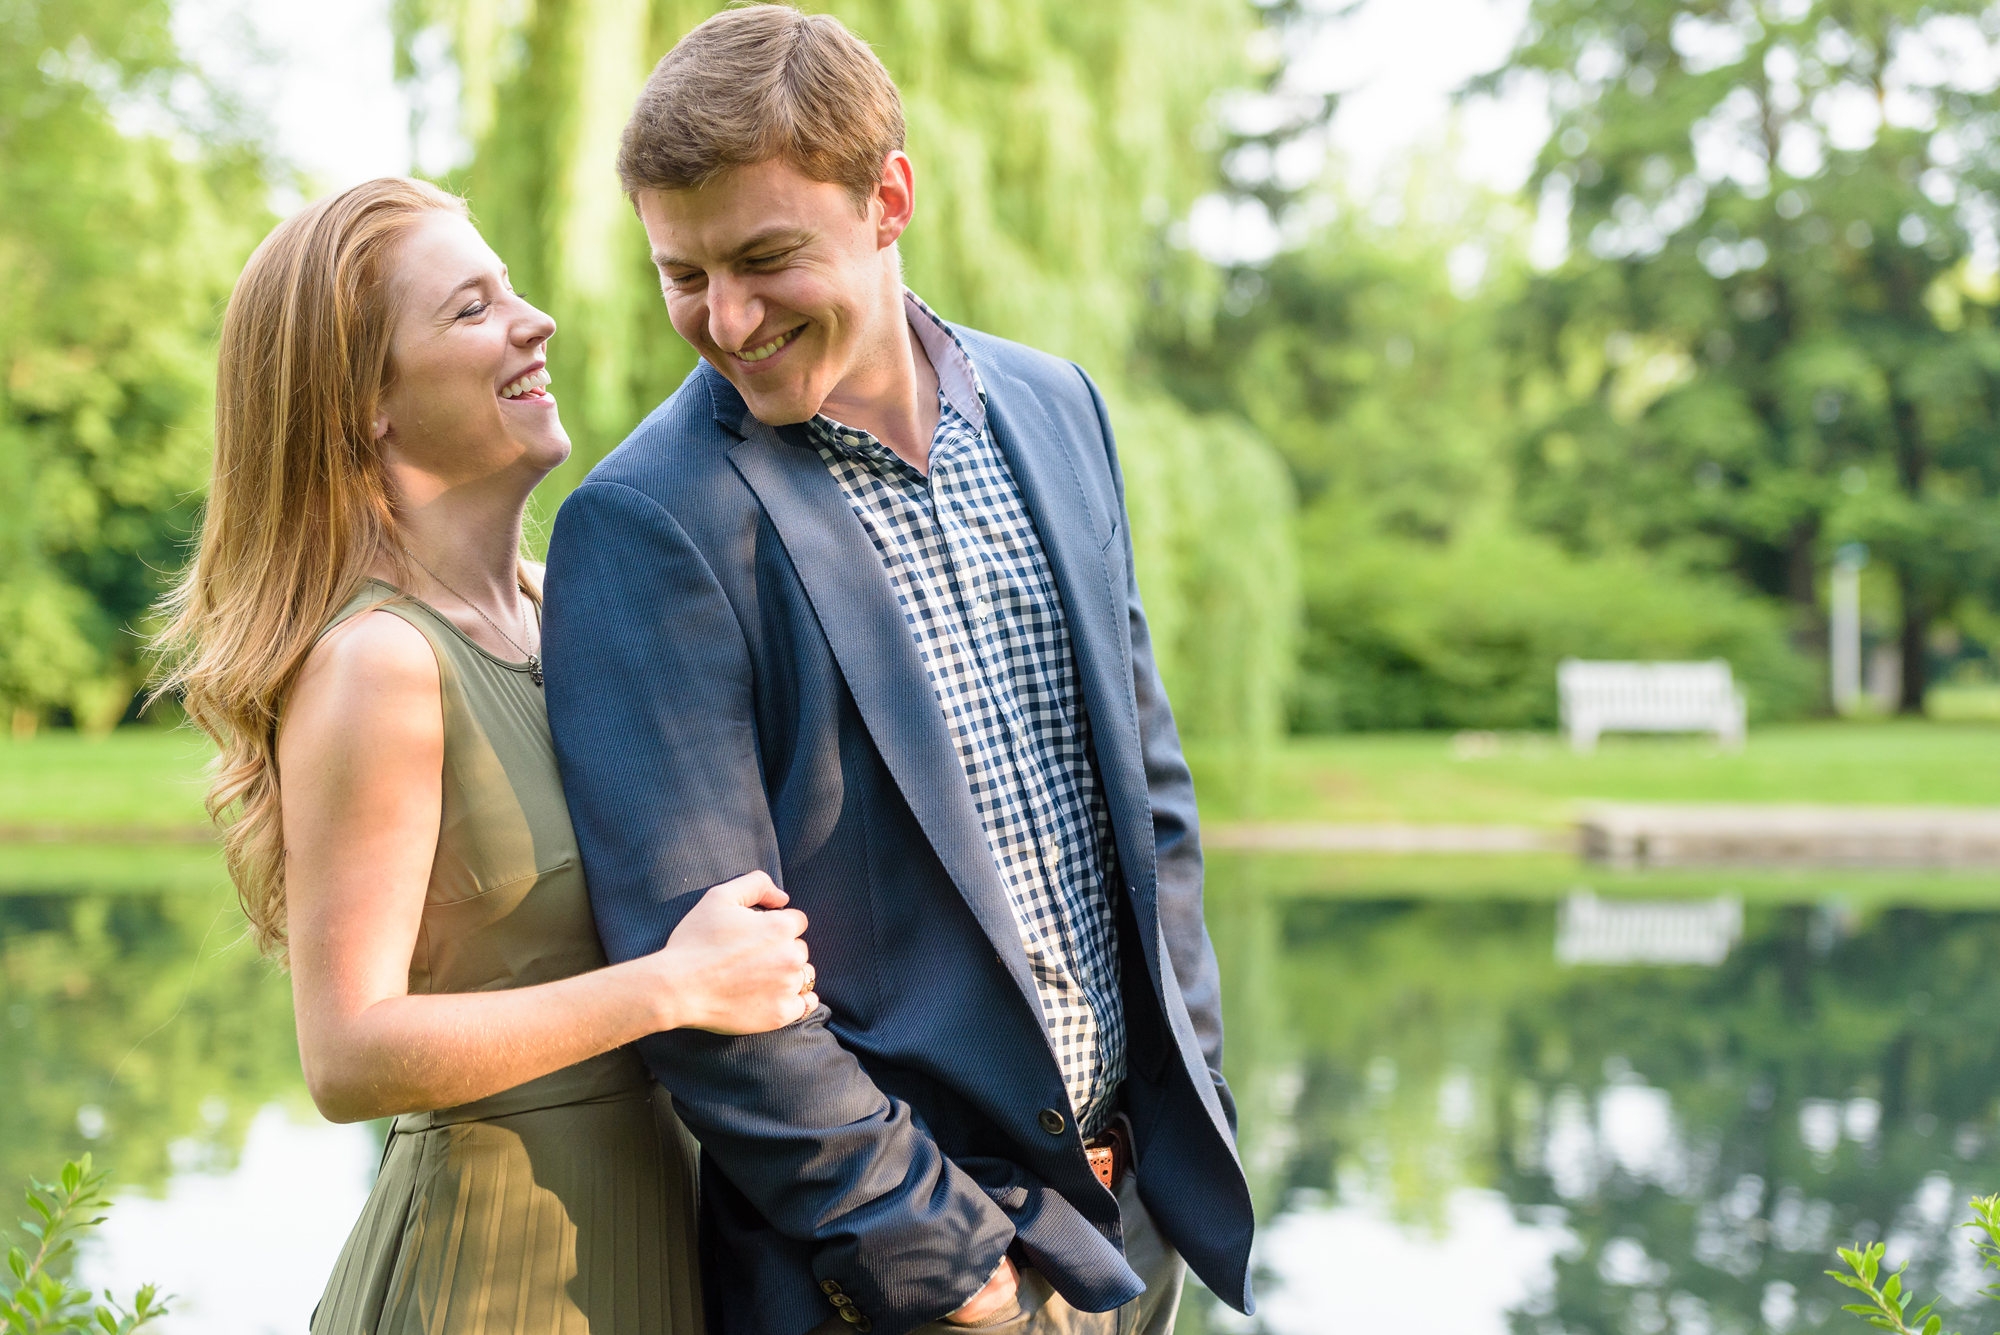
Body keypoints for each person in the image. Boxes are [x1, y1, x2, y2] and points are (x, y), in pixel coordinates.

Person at [541, 7, 1256, 1333]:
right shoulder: (649, 525)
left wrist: (1183, 1093)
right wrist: (946, 1266)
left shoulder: (1056, 409)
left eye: (764, 258)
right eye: (683, 274)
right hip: (895, 1285)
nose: (728, 318)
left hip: (1132, 1227)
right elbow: (702, 984)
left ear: (890, 198)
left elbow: (1149, 802)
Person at [152, 176, 819, 1335]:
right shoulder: (379, 665)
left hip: (660, 1244)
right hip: (495, 1276)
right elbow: (349, 1052)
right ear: (366, 403)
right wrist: (674, 988)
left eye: (512, 289)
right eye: (470, 309)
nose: (535, 320)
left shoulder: (564, 612)